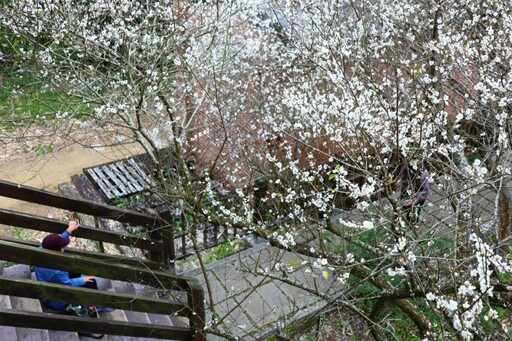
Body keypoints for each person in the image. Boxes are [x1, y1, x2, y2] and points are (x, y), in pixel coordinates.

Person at [34, 219, 113, 314]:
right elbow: (68, 285)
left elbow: (55, 242)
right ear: (56, 251)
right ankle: (98, 304)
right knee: (91, 282)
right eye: (62, 247)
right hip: (56, 300)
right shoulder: (57, 271)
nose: (64, 247)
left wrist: (68, 230)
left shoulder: (41, 250)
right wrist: (82, 280)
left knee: (76, 269)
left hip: (48, 282)